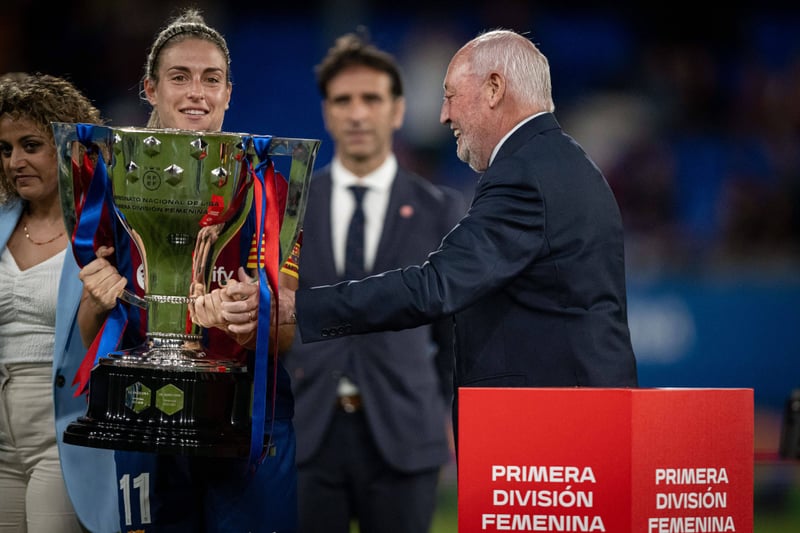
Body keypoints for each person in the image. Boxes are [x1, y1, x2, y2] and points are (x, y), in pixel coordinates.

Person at [273, 29, 639, 441]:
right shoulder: (560, 161)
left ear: (494, 89)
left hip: (553, 423)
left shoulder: (524, 175)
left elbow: (435, 287)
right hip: (573, 411)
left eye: (450, 95)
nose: (444, 115)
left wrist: (300, 306)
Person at [76, 9, 299, 532]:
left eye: (211, 79)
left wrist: (250, 318)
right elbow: (90, 334)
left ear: (228, 93)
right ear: (150, 89)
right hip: (143, 417)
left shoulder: (265, 186)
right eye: (180, 77)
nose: (197, 92)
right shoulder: (111, 182)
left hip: (245, 420)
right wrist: (97, 299)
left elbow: (284, 335)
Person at [283, 32, 465, 533]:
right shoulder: (290, 206)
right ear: (327, 113)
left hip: (407, 433)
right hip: (308, 431)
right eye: (343, 100)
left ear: (398, 110)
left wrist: (448, 416)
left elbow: (454, 337)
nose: (358, 114)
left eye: (372, 99)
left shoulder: (440, 209)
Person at [0, 73, 120, 532]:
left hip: (63, 431)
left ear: (68, 147)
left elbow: (109, 341)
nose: (15, 162)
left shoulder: (102, 231)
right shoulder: (1, 220)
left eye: (30, 145)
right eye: (5, 149)